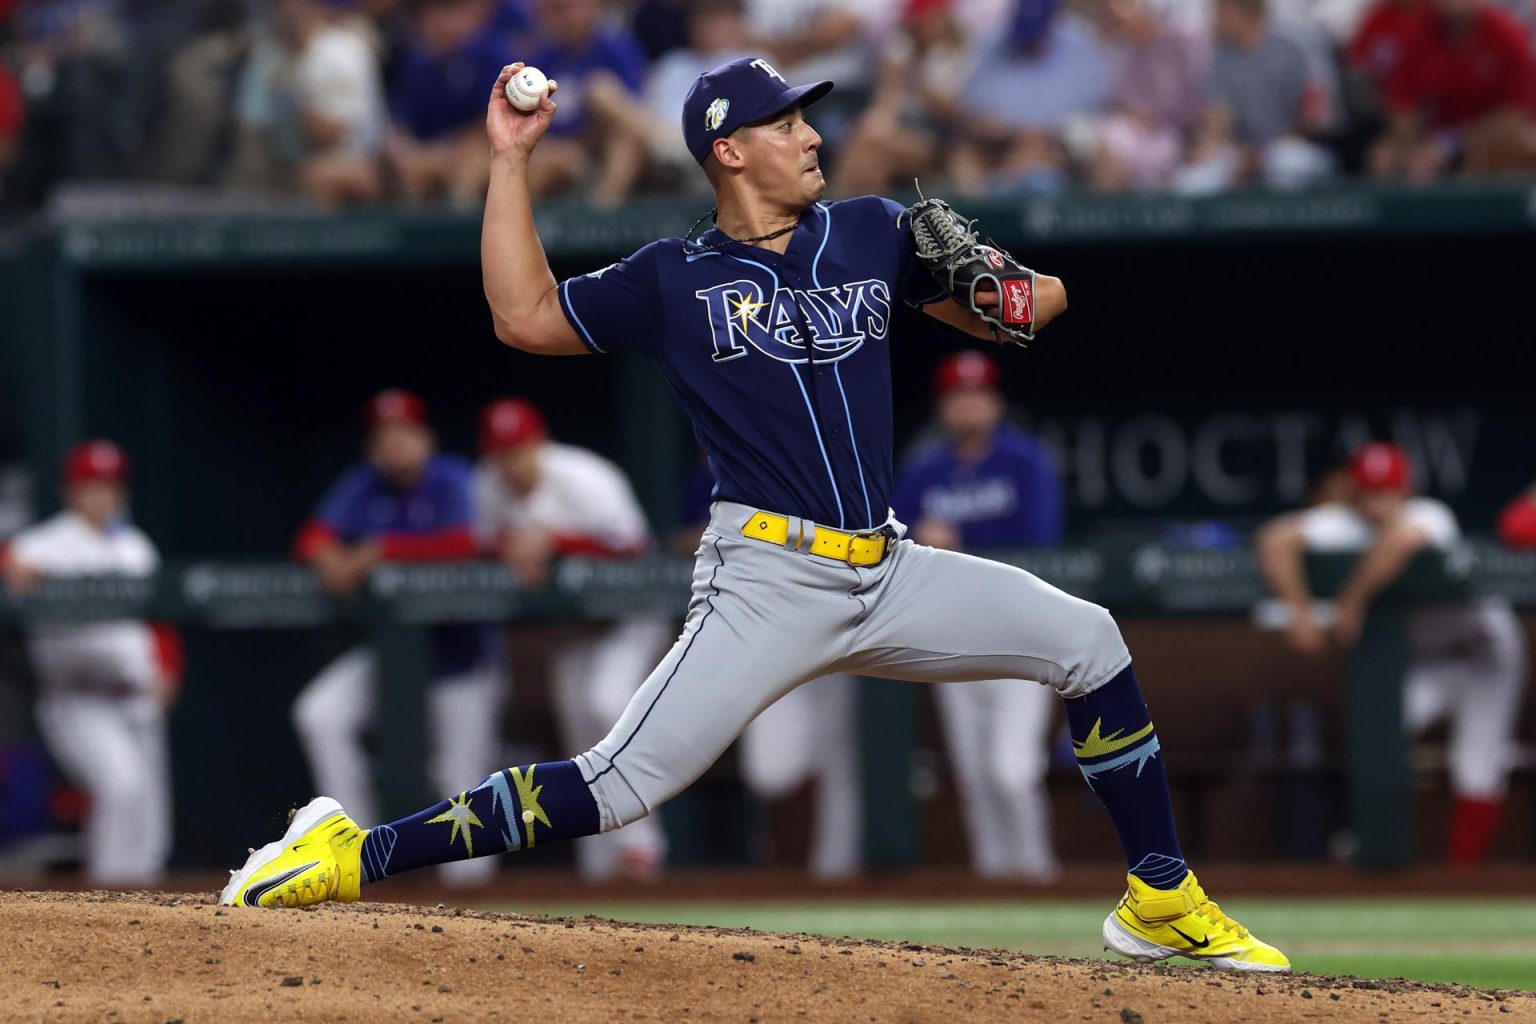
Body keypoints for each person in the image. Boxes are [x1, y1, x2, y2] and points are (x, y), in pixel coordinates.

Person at [221, 54, 1289, 976]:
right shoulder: (675, 277)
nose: (812, 134)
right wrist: (509, 160)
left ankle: (1160, 901)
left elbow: (1033, 305)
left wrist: (1008, 288)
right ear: (729, 150)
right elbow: (524, 316)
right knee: (619, 783)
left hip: (889, 565)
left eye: (807, 117)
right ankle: (347, 852)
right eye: (787, 122)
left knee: (1090, 639)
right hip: (767, 578)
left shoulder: (871, 232)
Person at [1256, 442, 1528, 865]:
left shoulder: (1430, 515)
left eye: (1386, 491)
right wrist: (1300, 610)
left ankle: (1465, 878)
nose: (1376, 503)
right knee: (1379, 729)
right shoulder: (1343, 522)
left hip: (1484, 653)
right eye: (1367, 492)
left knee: (1477, 764)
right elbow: (1275, 538)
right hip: (1431, 663)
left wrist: (1352, 601)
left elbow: (1400, 543)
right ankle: (1371, 848)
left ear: (1405, 489)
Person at [288, 389, 502, 886]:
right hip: (391, 655)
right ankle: (356, 850)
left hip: (461, 656)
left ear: (425, 437)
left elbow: (469, 542)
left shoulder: (453, 478)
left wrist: (384, 550)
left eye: (404, 432)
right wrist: (329, 557)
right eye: (383, 435)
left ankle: (474, 897)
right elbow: (313, 537)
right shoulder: (364, 485)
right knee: (320, 715)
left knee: (461, 778)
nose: (393, 444)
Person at [474, 397, 671, 881]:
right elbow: (477, 546)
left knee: (607, 707)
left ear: (540, 444)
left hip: (628, 618)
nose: (512, 464)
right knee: (579, 739)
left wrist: (560, 543)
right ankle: (599, 866)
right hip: (571, 628)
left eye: (520, 450)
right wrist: (511, 551)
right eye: (503, 454)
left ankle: (644, 849)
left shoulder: (586, 477)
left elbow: (635, 550)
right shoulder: (488, 489)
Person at [891, 351, 1063, 881]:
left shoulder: (1025, 461)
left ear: (996, 402)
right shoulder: (926, 469)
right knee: (973, 774)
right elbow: (889, 541)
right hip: (951, 632)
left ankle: (1037, 879)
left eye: (978, 394)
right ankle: (992, 885)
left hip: (1019, 632)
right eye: (957, 396)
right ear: (944, 406)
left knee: (1011, 771)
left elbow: (1042, 542)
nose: (969, 405)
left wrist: (959, 540)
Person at [672, 462, 864, 879]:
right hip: (768, 635)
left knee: (841, 763)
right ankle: (788, 855)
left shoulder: (823, 465)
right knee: (770, 773)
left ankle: (837, 873)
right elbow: (682, 539)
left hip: (832, 626)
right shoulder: (715, 472)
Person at [2, 441, 179, 884]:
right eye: (91, 486)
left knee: (150, 824)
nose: (101, 495)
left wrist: (169, 670)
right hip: (78, 694)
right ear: (71, 491)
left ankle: (148, 928)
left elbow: (159, 619)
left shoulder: (135, 546)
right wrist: (12, 567)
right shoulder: (48, 543)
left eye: (109, 485)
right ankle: (104, 907)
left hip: (137, 693)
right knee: (120, 787)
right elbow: (9, 559)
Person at [227, 0, 387, 205]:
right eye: (283, 7)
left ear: (315, 9)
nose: (291, 15)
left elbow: (334, 133)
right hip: (279, 156)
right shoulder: (269, 55)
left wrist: (296, 100)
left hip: (352, 156)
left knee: (319, 175)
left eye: (300, 7)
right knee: (248, 167)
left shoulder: (342, 52)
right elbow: (248, 121)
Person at [1368, 0, 1536, 181]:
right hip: (1434, 133)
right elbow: (1403, 105)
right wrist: (1406, 144)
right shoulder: (1417, 33)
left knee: (1520, 145)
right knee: (1385, 158)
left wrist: (1453, 144)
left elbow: (1519, 111)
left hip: (1490, 133)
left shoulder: (1507, 33)